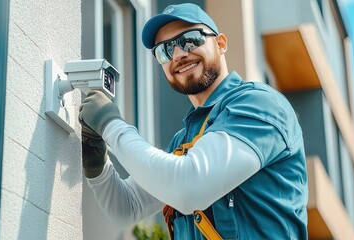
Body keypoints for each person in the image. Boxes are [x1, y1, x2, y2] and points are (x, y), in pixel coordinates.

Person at [79, 3, 308, 239]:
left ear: (220, 43)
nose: (178, 54)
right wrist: (96, 160)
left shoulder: (259, 104)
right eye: (165, 50)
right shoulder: (185, 140)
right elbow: (127, 207)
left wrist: (110, 123)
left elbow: (189, 187)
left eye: (190, 39)